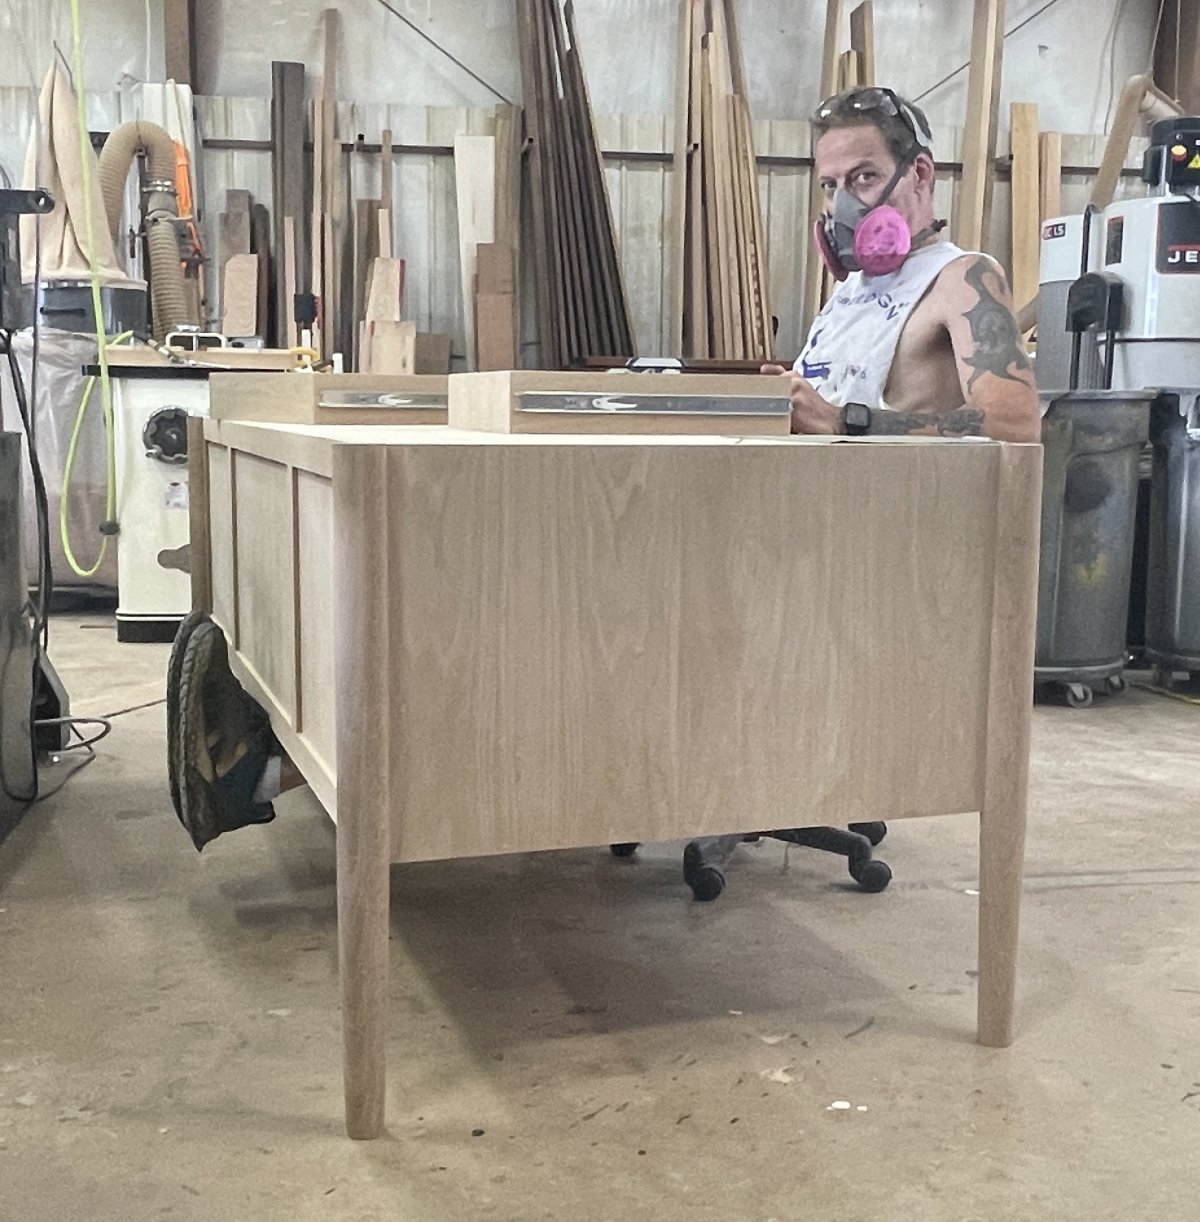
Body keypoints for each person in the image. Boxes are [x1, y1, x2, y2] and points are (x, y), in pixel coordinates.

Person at [764, 86, 1041, 444]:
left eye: (865, 177)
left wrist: (843, 421)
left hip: (903, 497)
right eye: (831, 186)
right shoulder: (850, 289)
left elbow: (1016, 424)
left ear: (921, 174)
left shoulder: (962, 278)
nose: (843, 205)